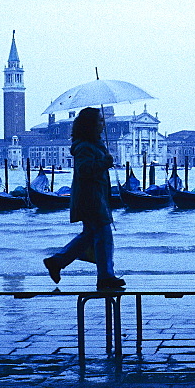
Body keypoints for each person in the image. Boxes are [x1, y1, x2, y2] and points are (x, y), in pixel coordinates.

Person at [43, 107, 126, 290]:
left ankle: (57, 262)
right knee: (104, 236)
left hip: (96, 197)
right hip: (91, 199)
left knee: (90, 236)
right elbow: (84, 170)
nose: (103, 124)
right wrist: (105, 162)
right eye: (100, 121)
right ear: (90, 124)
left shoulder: (95, 144)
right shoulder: (84, 147)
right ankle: (105, 277)